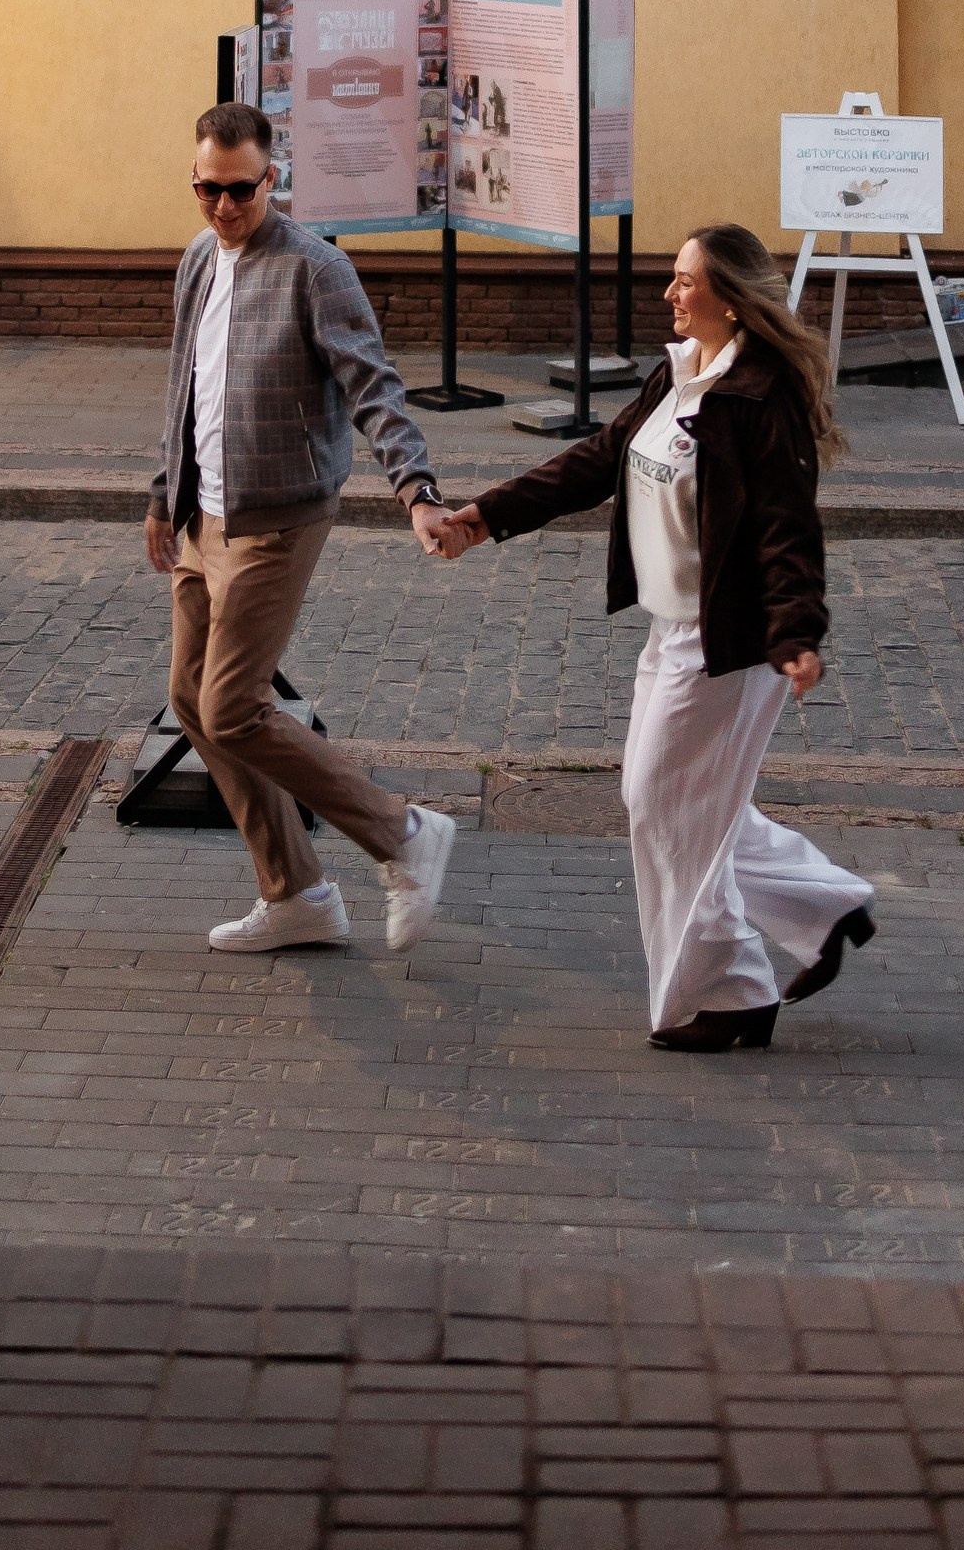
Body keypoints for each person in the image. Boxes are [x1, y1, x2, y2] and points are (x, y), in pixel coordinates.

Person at [420, 221, 876, 1050]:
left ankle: (731, 990)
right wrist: (484, 517)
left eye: (683, 281)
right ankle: (823, 906)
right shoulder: (683, 377)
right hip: (673, 627)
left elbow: (785, 528)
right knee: (680, 800)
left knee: (659, 802)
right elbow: (597, 460)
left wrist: (796, 632)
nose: (669, 294)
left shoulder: (757, 400)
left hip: (732, 640)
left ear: (730, 300)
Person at [146, 101, 460, 954]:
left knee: (232, 704)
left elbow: (374, 388)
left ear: (270, 177)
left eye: (239, 190)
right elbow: (186, 387)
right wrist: (161, 495)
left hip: (277, 519)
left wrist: (417, 491)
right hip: (199, 514)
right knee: (190, 700)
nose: (222, 207)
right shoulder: (196, 263)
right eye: (207, 189)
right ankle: (297, 896)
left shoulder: (314, 268)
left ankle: (403, 835)